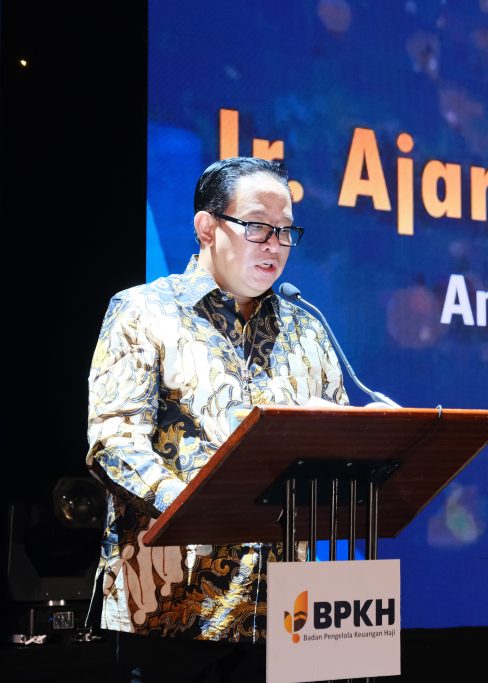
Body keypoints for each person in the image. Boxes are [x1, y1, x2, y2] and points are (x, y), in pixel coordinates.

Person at [85, 157, 347, 678]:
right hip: (174, 609)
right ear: (207, 227)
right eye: (257, 226)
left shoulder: (308, 329)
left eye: (285, 231)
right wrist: (196, 508)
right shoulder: (144, 311)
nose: (274, 244)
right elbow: (114, 443)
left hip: (292, 611)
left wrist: (360, 437)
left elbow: (330, 442)